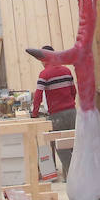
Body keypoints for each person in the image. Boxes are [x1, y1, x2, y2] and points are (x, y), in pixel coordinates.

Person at [31, 45, 77, 176]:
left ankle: (72, 175)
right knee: (74, 144)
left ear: (44, 59)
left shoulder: (44, 74)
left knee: (60, 146)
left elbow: (38, 96)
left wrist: (34, 114)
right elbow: (74, 92)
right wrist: (69, 104)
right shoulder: (67, 71)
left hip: (57, 115)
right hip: (72, 113)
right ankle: (78, 175)